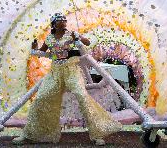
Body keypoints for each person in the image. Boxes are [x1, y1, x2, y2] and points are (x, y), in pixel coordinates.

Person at [13, 13, 122, 145]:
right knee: (41, 98)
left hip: (72, 72)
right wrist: (34, 49)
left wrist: (78, 38)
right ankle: (30, 134)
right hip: (55, 73)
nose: (63, 21)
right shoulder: (49, 39)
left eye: (64, 20)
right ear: (53, 24)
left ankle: (97, 134)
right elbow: (43, 53)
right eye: (60, 20)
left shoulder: (71, 34)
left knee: (82, 95)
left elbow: (87, 43)